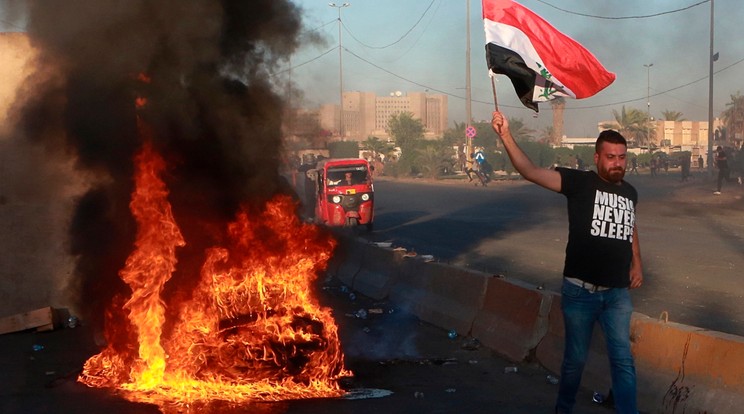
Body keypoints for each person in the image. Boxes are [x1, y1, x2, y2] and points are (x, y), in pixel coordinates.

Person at [491, 111, 643, 414]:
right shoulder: (578, 183)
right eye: (611, 157)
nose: (617, 163)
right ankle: (564, 410)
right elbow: (530, 171)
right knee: (574, 362)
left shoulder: (629, 192)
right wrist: (505, 135)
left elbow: (629, 225)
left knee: (623, 359)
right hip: (580, 293)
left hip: (616, 294)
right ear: (597, 157)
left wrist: (637, 261)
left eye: (622, 157)